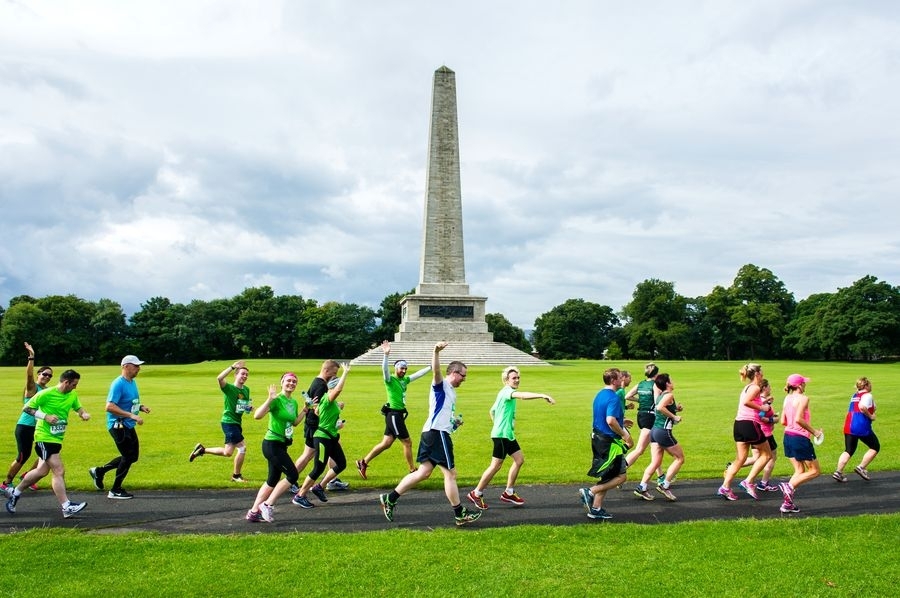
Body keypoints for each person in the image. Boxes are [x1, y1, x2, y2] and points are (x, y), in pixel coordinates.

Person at [379, 342, 481, 527]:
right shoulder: (441, 385)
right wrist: (436, 351)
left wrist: (454, 424)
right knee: (450, 474)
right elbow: (436, 372)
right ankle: (459, 513)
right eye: (463, 375)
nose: (464, 379)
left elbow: (443, 415)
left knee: (424, 472)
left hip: (433, 433)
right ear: (454, 372)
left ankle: (390, 498)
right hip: (436, 434)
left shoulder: (451, 392)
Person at [4, 369, 90, 518]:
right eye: (74, 384)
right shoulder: (46, 393)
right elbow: (27, 408)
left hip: (57, 438)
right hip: (44, 437)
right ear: (66, 382)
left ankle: (15, 493)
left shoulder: (72, 394)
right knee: (59, 470)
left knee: (41, 471)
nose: (75, 387)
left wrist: (83, 413)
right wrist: (45, 416)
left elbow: (78, 407)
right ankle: (66, 506)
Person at [466, 366, 555, 510]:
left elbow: (492, 411)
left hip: (507, 435)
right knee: (496, 466)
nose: (517, 380)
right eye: (514, 378)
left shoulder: (504, 392)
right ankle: (476, 493)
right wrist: (542, 395)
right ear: (506, 380)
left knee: (519, 460)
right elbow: (522, 396)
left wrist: (501, 423)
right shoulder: (507, 392)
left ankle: (509, 492)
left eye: (518, 377)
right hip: (501, 435)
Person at [356, 340, 431, 479]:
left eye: (405, 369)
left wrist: (432, 365)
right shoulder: (390, 380)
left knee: (386, 443)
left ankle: (363, 462)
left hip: (397, 415)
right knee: (407, 442)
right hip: (394, 415)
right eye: (401, 368)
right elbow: (384, 371)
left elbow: (418, 374)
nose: (404, 371)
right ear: (396, 368)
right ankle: (412, 470)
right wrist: (386, 355)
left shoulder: (404, 380)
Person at [88, 355, 151, 500]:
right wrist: (131, 415)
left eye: (138, 366)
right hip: (118, 425)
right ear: (125, 366)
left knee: (132, 456)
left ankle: (99, 471)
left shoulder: (132, 382)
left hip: (127, 424)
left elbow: (129, 402)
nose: (138, 368)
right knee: (128, 456)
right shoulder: (118, 384)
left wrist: (140, 407)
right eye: (135, 366)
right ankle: (115, 490)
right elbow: (109, 406)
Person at [246, 373, 305, 522]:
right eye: (288, 381)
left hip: (282, 444)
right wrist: (269, 399)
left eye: (294, 381)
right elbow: (257, 415)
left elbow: (294, 422)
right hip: (271, 444)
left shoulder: (293, 402)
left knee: (272, 479)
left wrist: (305, 410)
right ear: (282, 382)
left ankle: (254, 512)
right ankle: (267, 505)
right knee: (293, 475)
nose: (291, 383)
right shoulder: (276, 399)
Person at [579, 367, 634, 520]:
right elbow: (610, 420)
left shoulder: (600, 394)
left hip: (598, 438)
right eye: (619, 377)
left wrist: (621, 422)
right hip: (609, 442)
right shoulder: (613, 397)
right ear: (613, 380)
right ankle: (590, 491)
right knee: (621, 476)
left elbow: (604, 417)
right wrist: (624, 434)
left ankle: (596, 509)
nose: (622, 380)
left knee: (608, 475)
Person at [292, 363, 351, 507]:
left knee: (341, 464)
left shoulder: (329, 401)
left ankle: (320, 486)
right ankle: (300, 495)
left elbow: (318, 411)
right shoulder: (327, 397)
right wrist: (345, 373)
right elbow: (337, 390)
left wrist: (335, 421)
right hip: (323, 438)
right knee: (318, 468)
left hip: (331, 436)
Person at [718, 363, 774, 501]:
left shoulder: (747, 387)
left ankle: (725, 487)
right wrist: (763, 407)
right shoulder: (755, 387)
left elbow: (749, 402)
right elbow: (747, 402)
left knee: (741, 459)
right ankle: (748, 481)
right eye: (761, 372)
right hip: (750, 424)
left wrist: (764, 403)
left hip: (739, 424)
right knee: (767, 454)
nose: (763, 374)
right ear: (757, 374)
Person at [189, 361, 252, 482]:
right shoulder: (229, 388)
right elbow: (219, 378)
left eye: (246, 375)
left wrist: (248, 408)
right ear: (236, 375)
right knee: (242, 448)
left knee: (228, 452)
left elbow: (242, 406)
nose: (245, 376)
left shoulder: (246, 390)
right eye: (242, 374)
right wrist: (232, 367)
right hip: (229, 422)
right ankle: (236, 476)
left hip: (237, 423)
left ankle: (202, 450)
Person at [3, 342, 50, 492]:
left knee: (47, 453)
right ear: (38, 374)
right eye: (44, 374)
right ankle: (6, 483)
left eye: (49, 375)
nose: (47, 377)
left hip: (39, 427)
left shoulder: (47, 390)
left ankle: (27, 477)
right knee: (22, 456)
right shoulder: (32, 387)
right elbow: (29, 375)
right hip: (25, 427)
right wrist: (31, 356)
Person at [632, 373, 683, 501]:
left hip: (654, 431)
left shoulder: (661, 395)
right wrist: (674, 417)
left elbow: (660, 407)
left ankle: (642, 487)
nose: (673, 382)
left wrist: (675, 409)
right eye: (671, 380)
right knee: (680, 458)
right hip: (663, 432)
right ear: (667, 383)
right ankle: (664, 485)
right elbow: (660, 408)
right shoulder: (669, 395)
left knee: (655, 462)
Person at [779, 374, 822, 513]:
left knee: (799, 471)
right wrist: (815, 432)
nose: (805, 385)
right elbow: (798, 419)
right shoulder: (803, 398)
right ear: (799, 385)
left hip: (787, 437)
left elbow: (783, 421)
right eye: (803, 383)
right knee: (815, 471)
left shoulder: (787, 398)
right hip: (800, 439)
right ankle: (789, 486)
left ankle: (787, 504)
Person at [732, 378, 779, 492]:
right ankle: (763, 482)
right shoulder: (759, 400)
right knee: (771, 457)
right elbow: (761, 416)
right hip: (763, 432)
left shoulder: (760, 400)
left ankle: (732, 467)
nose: (770, 388)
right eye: (769, 386)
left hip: (756, 431)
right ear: (764, 388)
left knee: (756, 458)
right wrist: (773, 419)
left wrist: (768, 403)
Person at [833, 377, 879, 482]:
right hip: (860, 425)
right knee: (875, 446)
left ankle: (838, 472)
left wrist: (872, 409)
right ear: (866, 385)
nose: (871, 386)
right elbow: (862, 407)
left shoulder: (855, 395)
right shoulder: (867, 395)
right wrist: (871, 416)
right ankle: (861, 467)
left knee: (849, 450)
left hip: (849, 424)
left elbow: (870, 407)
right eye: (870, 384)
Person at [624, 363, 662, 480]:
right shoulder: (656, 385)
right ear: (657, 374)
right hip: (650, 417)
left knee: (655, 446)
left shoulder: (640, 384)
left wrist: (640, 400)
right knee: (639, 449)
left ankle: (660, 475)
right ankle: (618, 472)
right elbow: (658, 403)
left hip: (641, 416)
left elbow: (628, 396)